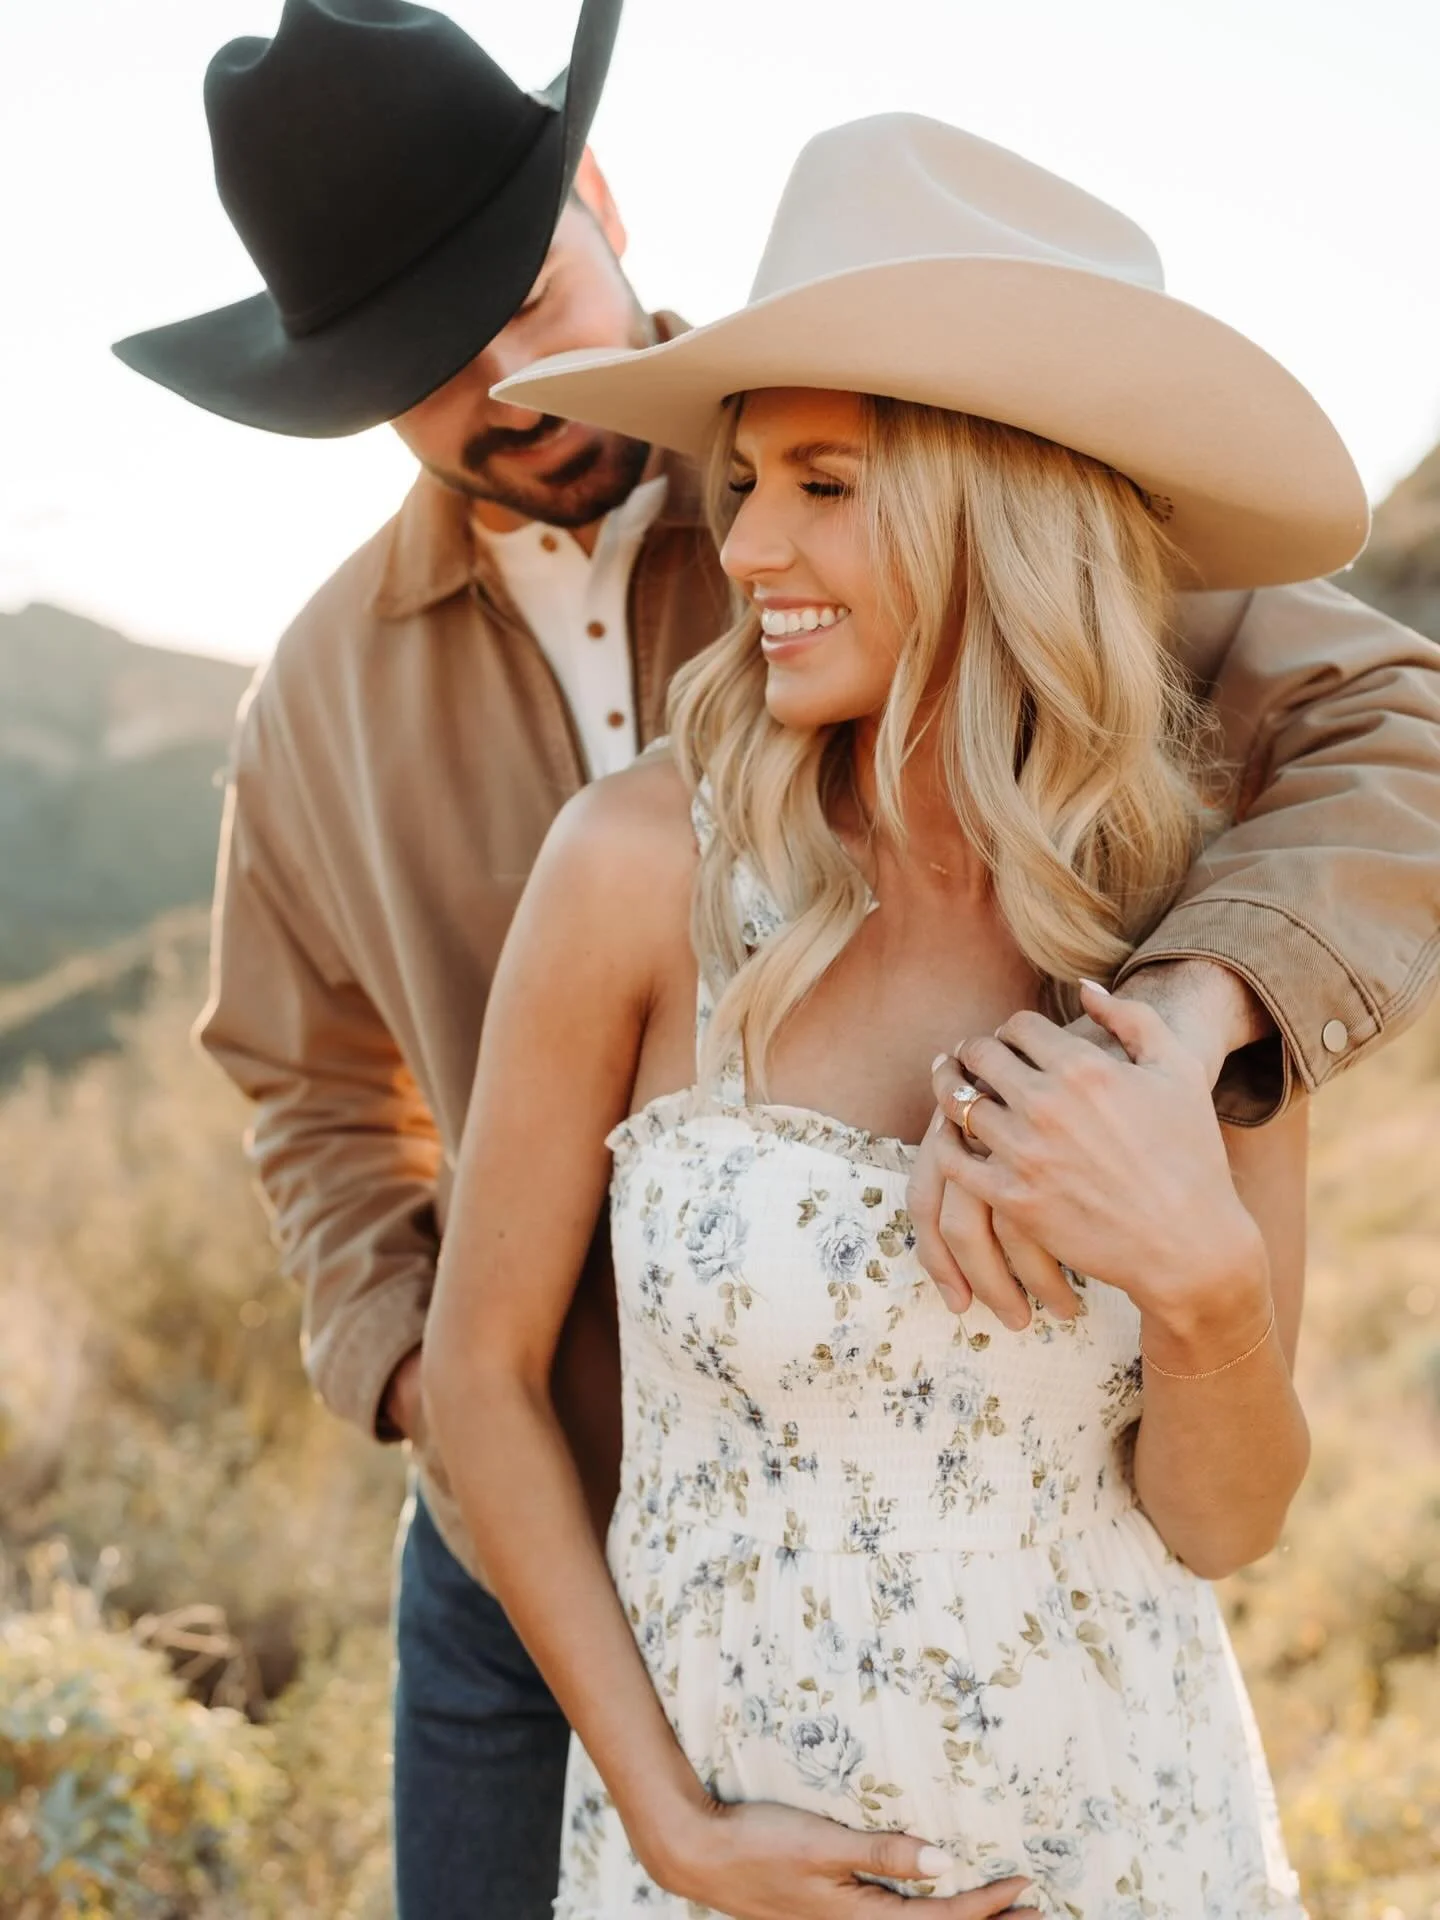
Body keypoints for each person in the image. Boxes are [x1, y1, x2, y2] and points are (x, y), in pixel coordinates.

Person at [109, 3, 1440, 1914]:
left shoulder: (939, 446)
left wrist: (1180, 1030)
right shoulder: (321, 702)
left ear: (601, 197)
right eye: (425, 363)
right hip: (533, 1539)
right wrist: (422, 1373)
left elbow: (1390, 724)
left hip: (1045, 1663)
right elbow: (309, 1093)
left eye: (527, 296)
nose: (506, 383)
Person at [422, 115, 1368, 1919]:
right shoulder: (638, 869)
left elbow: (1221, 1525)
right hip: (723, 1869)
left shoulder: (1194, 931)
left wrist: (1207, 1291)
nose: (750, 538)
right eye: (749, 475)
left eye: (828, 484)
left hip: (1123, 1844)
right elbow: (479, 1381)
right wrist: (673, 1829)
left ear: (1001, 502)